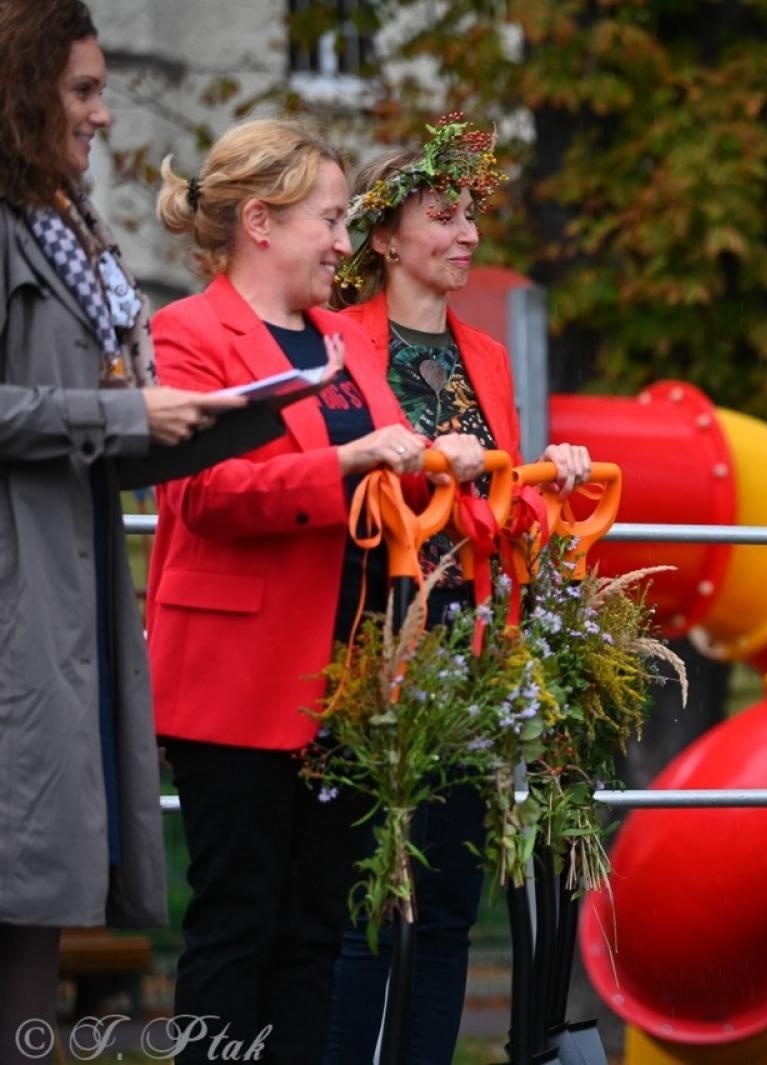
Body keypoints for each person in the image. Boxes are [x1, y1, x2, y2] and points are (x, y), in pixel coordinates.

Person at [144, 116, 487, 1064]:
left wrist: (439, 461)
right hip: (235, 682)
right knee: (237, 924)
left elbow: (387, 477)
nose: (344, 241)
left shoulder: (340, 337)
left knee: (313, 934)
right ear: (261, 221)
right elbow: (202, 495)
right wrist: (350, 460)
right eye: (330, 221)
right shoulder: (187, 332)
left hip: (343, 678)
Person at [0, 3, 257, 1057]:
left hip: (67, 600)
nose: (103, 114)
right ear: (22, 93)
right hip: (20, 602)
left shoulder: (66, 227)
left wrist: (216, 422)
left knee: (32, 903)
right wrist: (120, 417)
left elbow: (100, 423)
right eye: (83, 90)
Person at [323, 119, 590, 1064]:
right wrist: (441, 465)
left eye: (471, 214)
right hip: (371, 626)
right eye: (444, 214)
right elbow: (339, 479)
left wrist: (552, 471)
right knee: (368, 894)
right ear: (385, 236)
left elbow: (503, 507)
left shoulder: (488, 354)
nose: (468, 232)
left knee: (445, 900)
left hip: (469, 636)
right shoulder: (339, 340)